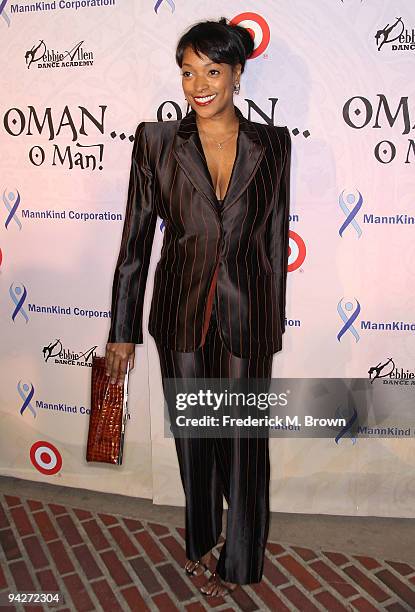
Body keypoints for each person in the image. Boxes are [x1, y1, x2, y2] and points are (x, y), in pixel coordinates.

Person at [105, 17, 291, 597]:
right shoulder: (156, 141)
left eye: (212, 71)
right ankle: (204, 542)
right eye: (188, 72)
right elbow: (135, 242)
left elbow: (274, 240)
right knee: (194, 438)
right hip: (179, 314)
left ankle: (241, 562)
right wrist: (122, 329)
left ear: (238, 73)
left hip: (246, 314)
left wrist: (269, 326)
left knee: (242, 443)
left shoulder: (274, 144)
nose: (198, 85)